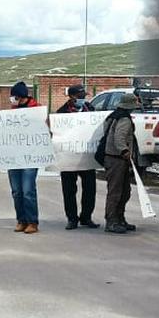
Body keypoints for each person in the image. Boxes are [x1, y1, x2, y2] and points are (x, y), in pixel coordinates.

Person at [56, 84, 99, 230]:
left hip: (87, 156)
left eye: (84, 96)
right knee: (69, 190)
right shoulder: (61, 113)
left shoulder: (91, 110)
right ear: (72, 97)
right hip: (68, 156)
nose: (83, 99)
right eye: (80, 96)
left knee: (90, 189)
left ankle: (86, 217)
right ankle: (72, 219)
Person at [103, 93, 140, 234]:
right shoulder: (124, 119)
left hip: (114, 158)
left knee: (124, 191)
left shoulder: (113, 116)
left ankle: (119, 219)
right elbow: (119, 138)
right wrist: (125, 151)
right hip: (117, 159)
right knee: (116, 192)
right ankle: (111, 221)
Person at [8, 81, 41, 234]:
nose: (12, 100)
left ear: (21, 97)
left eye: (14, 97)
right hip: (14, 155)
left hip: (30, 155)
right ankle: (21, 220)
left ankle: (32, 222)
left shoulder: (37, 110)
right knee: (16, 190)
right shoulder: (12, 111)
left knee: (28, 190)